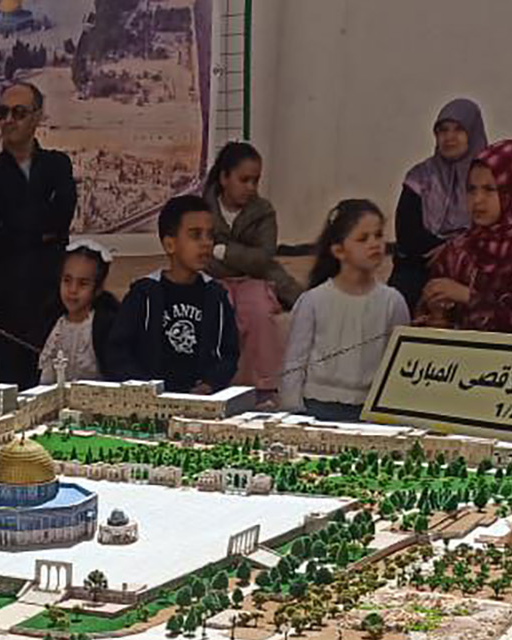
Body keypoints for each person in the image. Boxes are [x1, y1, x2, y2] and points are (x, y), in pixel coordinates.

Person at [0, 81, 77, 388]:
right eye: (2, 112)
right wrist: (39, 232)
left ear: (37, 116)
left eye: (18, 112)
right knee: (12, 396)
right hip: (4, 305)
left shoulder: (57, 165)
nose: (8, 120)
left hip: (51, 304)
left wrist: (12, 226)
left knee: (54, 391)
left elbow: (60, 220)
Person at [280, 199, 410, 421]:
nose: (374, 244)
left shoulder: (393, 302)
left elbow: (399, 365)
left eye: (378, 235)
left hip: (369, 412)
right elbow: (295, 360)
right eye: (363, 238)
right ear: (339, 250)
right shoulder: (314, 300)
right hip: (316, 407)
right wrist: (292, 411)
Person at [420, 139, 512, 334]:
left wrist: (467, 296)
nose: (477, 200)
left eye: (489, 189)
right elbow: (428, 321)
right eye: (471, 189)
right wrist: (436, 314)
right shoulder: (458, 250)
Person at [106, 194, 240, 392]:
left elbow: (228, 354)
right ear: (170, 244)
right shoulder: (144, 293)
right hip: (149, 399)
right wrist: (143, 387)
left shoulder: (216, 296)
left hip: (199, 400)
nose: (206, 243)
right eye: (195, 235)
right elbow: (118, 350)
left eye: (210, 235)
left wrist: (210, 384)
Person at [201, 141, 300, 394]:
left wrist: (223, 251)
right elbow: (202, 256)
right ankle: (212, 381)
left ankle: (267, 386)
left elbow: (263, 257)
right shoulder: (202, 208)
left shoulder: (263, 210)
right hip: (213, 279)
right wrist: (238, 258)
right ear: (224, 177)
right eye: (244, 180)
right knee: (219, 313)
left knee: (260, 313)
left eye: (255, 181)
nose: (251, 187)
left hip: (255, 278)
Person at [391, 98, 488, 309]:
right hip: (422, 265)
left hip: (475, 265)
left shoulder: (488, 177)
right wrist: (443, 251)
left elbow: (496, 227)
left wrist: (454, 248)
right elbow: (407, 234)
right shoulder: (420, 176)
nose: (449, 137)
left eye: (458, 129)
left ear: (473, 132)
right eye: (443, 130)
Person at [36, 240, 118, 384]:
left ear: (98, 289)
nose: (73, 290)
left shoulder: (105, 327)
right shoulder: (51, 324)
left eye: (83, 283)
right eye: (67, 280)